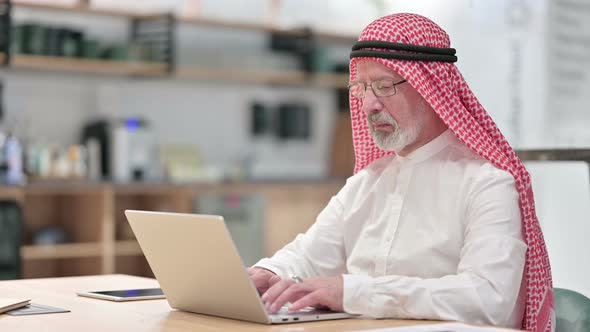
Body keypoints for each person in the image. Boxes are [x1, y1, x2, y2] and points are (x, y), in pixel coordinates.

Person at [248, 13, 554, 332]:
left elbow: (488, 299)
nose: (369, 104)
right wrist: (269, 273)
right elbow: (307, 256)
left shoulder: (487, 183)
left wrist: (356, 292)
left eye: (383, 86)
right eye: (362, 89)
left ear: (431, 87)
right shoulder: (368, 182)